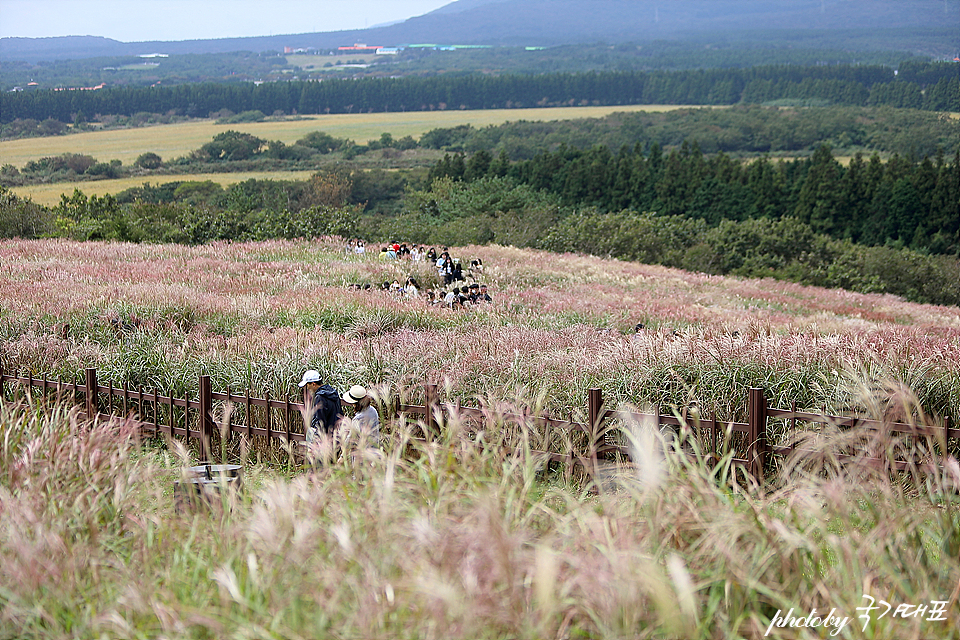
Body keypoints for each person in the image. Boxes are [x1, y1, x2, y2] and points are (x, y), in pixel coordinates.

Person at [298, 369, 343, 443]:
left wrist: (316, 441)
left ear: (313, 384)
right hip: (336, 436)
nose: (307, 388)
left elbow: (320, 421)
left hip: (325, 440)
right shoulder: (333, 393)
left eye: (307, 385)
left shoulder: (320, 397)